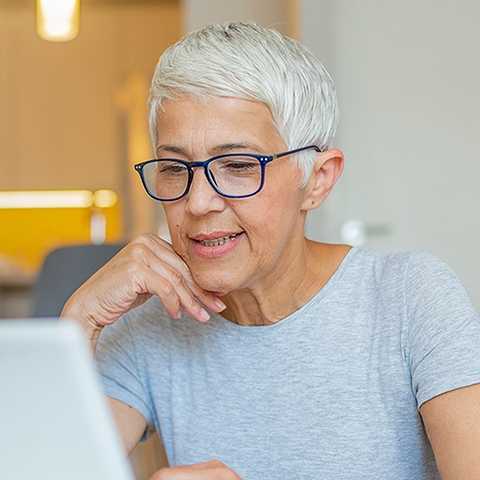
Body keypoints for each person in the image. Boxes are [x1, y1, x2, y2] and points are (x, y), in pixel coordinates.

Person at [61, 21, 480, 480]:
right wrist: (80, 319)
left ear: (317, 180)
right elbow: (45, 467)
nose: (197, 203)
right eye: (174, 167)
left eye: (239, 166)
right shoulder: (152, 326)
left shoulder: (410, 298)